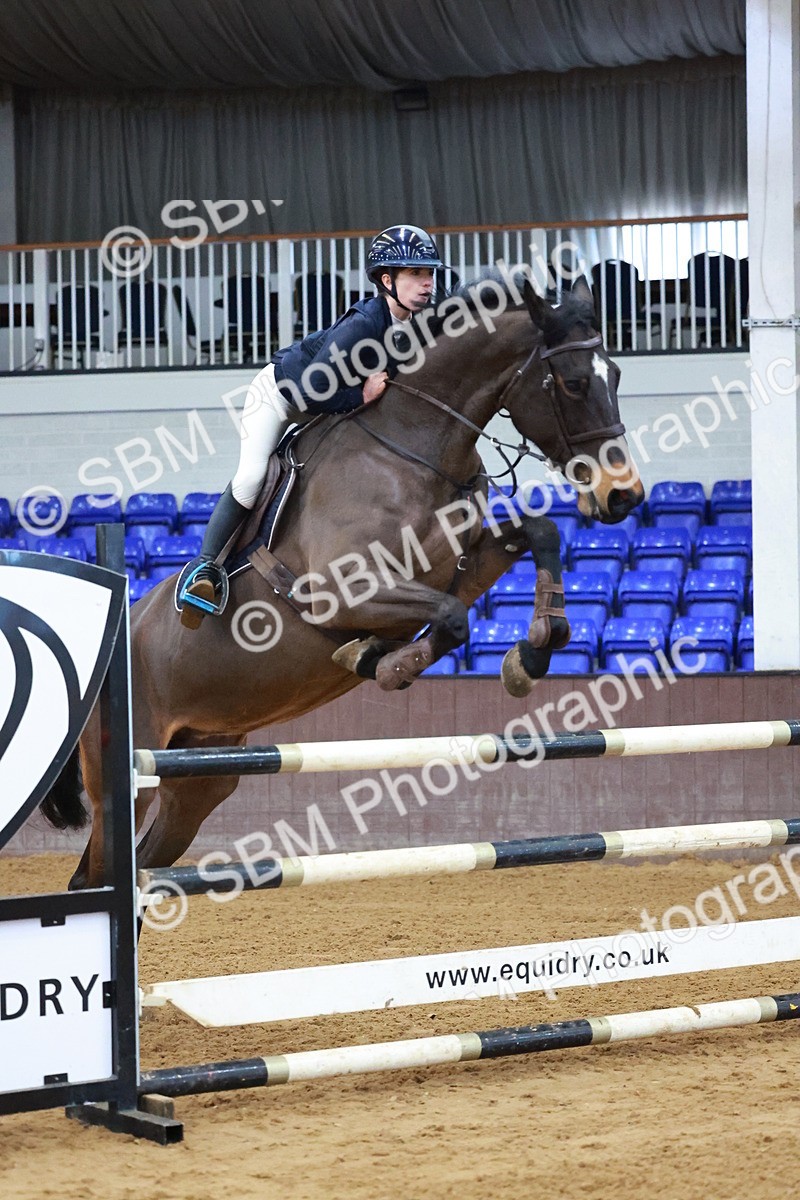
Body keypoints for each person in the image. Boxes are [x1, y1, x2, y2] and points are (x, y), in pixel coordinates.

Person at [176, 224, 444, 628]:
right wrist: (361, 397)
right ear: (387, 280)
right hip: (281, 396)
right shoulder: (364, 324)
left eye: (429, 273)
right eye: (415, 273)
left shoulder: (417, 325)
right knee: (251, 477)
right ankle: (205, 568)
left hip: (327, 406)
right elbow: (309, 392)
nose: (427, 283)